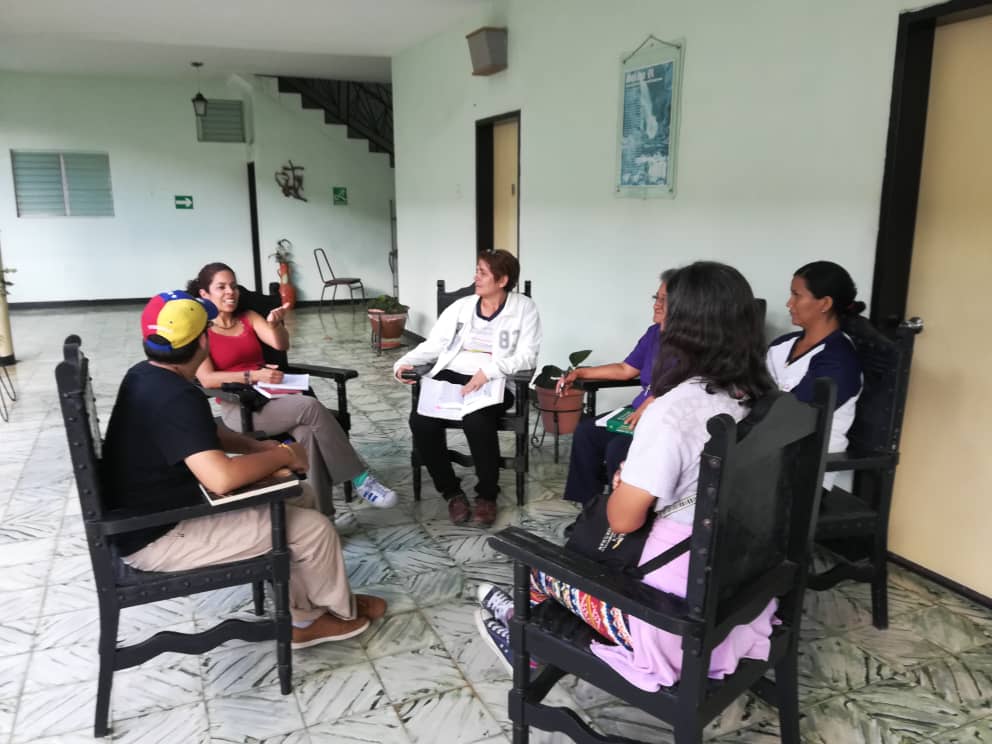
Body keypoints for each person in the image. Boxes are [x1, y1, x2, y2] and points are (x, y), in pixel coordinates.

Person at [474, 261, 780, 691]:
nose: (658, 312)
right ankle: (526, 630)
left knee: (538, 572)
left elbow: (622, 521)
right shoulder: (759, 399)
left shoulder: (675, 411)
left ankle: (529, 646)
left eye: (666, 306)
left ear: (684, 326)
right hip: (742, 597)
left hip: (671, 621)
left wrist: (623, 485)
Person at [102, 290, 385, 648]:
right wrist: (283, 454)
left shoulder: (146, 374)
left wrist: (255, 447)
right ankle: (329, 616)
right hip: (157, 536)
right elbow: (221, 478)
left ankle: (307, 607)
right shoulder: (175, 397)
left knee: (302, 494)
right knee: (314, 530)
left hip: (154, 512)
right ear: (202, 341)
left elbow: (203, 432)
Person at [188, 263, 397, 512]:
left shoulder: (248, 317)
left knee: (307, 434)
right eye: (221, 287)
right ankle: (360, 478)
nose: (230, 292)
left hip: (274, 395)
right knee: (310, 407)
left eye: (233, 286)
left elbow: (280, 345)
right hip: (240, 406)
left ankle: (324, 515)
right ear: (204, 293)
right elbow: (208, 379)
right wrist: (254, 375)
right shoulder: (201, 331)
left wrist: (275, 324)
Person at [394, 250, 541, 527]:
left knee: (477, 420)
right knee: (422, 421)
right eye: (477, 271)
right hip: (453, 371)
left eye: (482, 272)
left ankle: (487, 495)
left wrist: (489, 372)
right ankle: (451, 492)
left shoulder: (524, 308)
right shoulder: (462, 306)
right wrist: (404, 362)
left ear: (502, 280)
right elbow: (435, 343)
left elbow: (527, 356)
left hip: (495, 379)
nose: (476, 278)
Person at [558, 270, 674, 504]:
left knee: (618, 448)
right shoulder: (654, 333)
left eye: (665, 300)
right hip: (636, 414)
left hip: (663, 420)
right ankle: (590, 509)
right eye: (657, 298)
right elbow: (626, 369)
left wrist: (655, 401)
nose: (656, 305)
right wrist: (581, 372)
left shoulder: (698, 343)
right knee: (586, 432)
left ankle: (619, 518)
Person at [766, 261, 863, 486]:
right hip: (766, 457)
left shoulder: (839, 360)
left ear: (825, 303)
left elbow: (795, 419)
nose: (789, 303)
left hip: (804, 471)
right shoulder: (781, 346)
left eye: (796, 295)